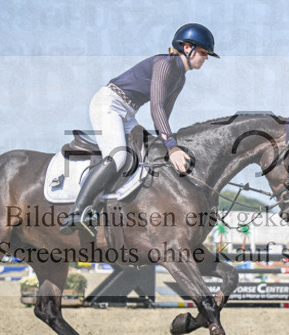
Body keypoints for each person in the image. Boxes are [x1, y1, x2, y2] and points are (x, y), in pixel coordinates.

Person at [60, 23, 219, 237]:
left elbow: (164, 115)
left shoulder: (180, 78)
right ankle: (77, 213)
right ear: (188, 48)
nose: (206, 58)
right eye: (203, 52)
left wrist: (167, 144)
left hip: (128, 112)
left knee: (149, 153)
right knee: (118, 157)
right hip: (109, 104)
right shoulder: (165, 63)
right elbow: (156, 107)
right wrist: (172, 147)